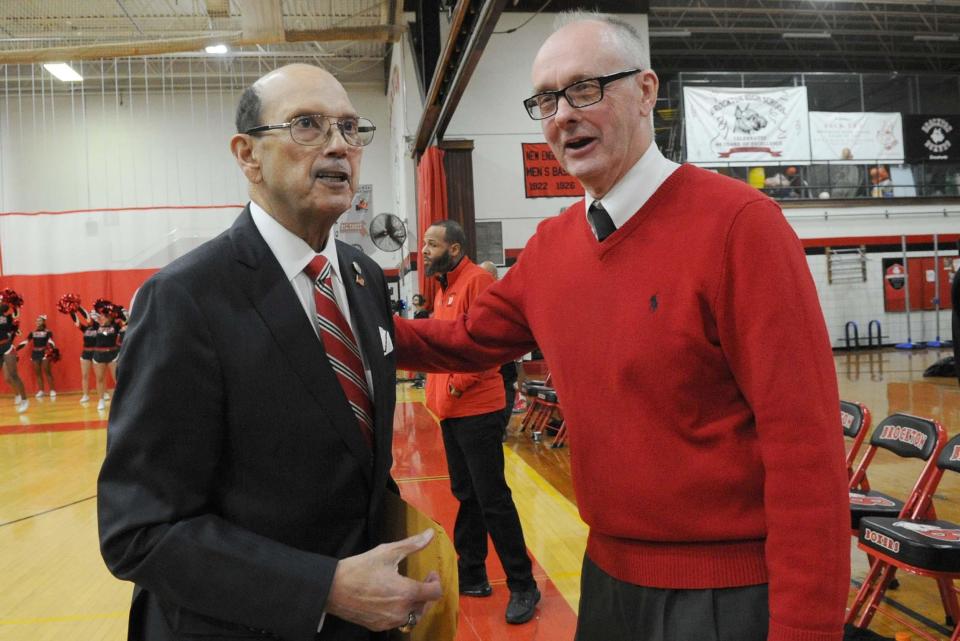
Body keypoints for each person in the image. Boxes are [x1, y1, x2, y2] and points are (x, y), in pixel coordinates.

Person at [395, 12, 848, 641]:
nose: (562, 115)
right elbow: (464, 339)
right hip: (607, 585)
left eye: (586, 88)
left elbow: (807, 450)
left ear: (645, 91)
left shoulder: (742, 226)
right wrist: (345, 317)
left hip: (728, 597)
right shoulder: (552, 248)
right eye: (546, 99)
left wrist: (806, 629)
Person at [97, 63, 441, 641]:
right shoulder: (183, 300)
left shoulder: (362, 278)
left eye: (351, 128)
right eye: (308, 125)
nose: (339, 145)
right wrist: (324, 587)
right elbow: (139, 531)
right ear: (247, 155)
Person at [421, 221, 539, 624]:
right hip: (452, 413)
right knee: (466, 494)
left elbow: (491, 345)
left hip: (477, 410)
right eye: (423, 242)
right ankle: (472, 574)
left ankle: (523, 584)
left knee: (491, 498)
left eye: (432, 244)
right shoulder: (443, 288)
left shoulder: (477, 281)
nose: (423, 250)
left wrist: (454, 387)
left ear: (454, 250)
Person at [479, 260, 520, 437]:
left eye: (485, 274)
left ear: (495, 276)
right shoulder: (479, 295)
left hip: (506, 352)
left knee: (507, 387)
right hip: (487, 353)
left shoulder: (506, 294)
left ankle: (501, 427)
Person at [58, 295, 98, 404]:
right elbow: (76, 322)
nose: (93, 318)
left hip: (96, 352)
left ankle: (103, 394)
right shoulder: (86, 328)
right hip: (86, 352)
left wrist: (78, 307)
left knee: (99, 375)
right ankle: (85, 395)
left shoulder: (99, 326)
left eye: (95, 316)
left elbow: (87, 317)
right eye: (92, 316)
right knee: (85, 375)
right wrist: (71, 309)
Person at [16, 314, 56, 398]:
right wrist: (16, 349)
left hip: (45, 352)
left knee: (47, 371)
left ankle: (52, 390)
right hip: (35, 353)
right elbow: (25, 342)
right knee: (38, 372)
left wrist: (52, 349)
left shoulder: (48, 332)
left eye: (39, 320)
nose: (37, 322)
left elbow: (50, 341)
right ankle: (41, 391)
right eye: (37, 321)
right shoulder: (33, 332)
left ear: (43, 322)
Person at [409, 294, 429, 389]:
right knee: (416, 360)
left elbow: (424, 325)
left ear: (420, 301)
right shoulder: (416, 312)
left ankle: (423, 380)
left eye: (416, 299)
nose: (414, 300)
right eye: (413, 299)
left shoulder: (423, 312)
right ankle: (417, 381)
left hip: (422, 338)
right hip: (416, 337)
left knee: (422, 360)